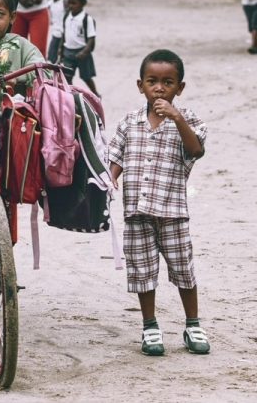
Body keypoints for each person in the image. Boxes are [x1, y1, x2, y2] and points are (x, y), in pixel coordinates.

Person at [107, 49, 209, 357]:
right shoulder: (129, 123)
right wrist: (110, 179)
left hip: (172, 213)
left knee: (183, 269)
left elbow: (196, 151)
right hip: (136, 212)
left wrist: (177, 118)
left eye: (168, 82)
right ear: (141, 85)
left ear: (180, 88)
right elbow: (116, 157)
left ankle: (193, 324)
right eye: (152, 81)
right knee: (142, 271)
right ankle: (150, 326)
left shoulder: (189, 121)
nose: (160, 88)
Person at [58, 0, 99, 96]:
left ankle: (95, 93)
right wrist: (61, 50)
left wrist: (85, 51)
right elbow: (64, 35)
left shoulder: (87, 19)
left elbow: (91, 38)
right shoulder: (67, 16)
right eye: (69, 3)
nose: (70, 6)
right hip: (68, 52)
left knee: (86, 76)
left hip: (81, 52)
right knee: (67, 76)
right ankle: (70, 95)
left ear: (82, 4)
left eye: (74, 3)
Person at [46, 0, 65, 64]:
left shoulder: (64, 2)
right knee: (51, 58)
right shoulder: (49, 4)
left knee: (61, 58)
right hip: (54, 33)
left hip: (63, 34)